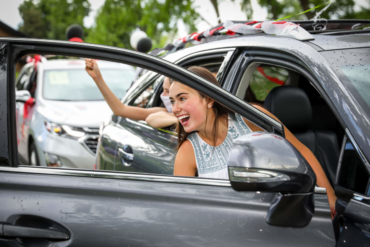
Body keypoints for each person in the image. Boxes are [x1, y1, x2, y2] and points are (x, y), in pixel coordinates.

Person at [169, 66, 337, 217]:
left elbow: (301, 152)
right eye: (172, 101)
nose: (175, 109)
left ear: (209, 99)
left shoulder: (251, 118)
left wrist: (329, 198)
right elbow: (184, 212)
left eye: (182, 98)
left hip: (278, 218)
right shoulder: (187, 152)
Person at [85, 58, 177, 127]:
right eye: (163, 90)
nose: (162, 95)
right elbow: (120, 110)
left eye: (167, 91)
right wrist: (97, 78)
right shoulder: (163, 111)